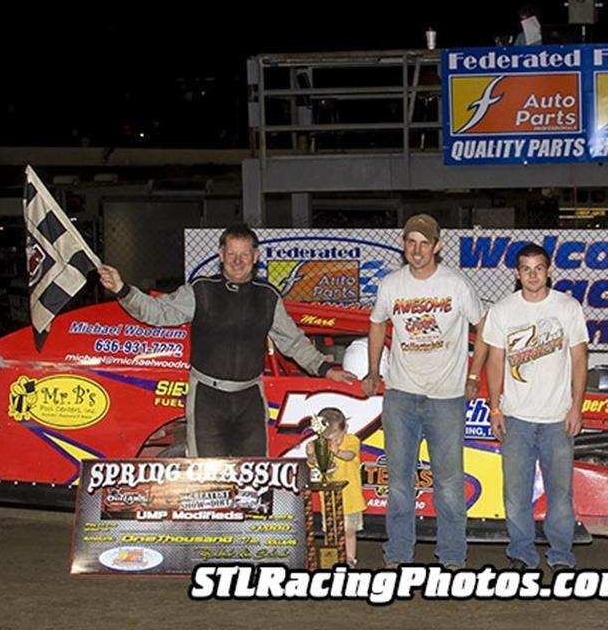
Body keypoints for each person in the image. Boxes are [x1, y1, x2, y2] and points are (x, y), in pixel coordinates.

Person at [97, 223, 357, 457]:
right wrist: (122, 289)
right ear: (221, 255)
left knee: (255, 475)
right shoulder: (201, 290)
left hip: (250, 398)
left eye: (244, 254)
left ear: (255, 257)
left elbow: (293, 341)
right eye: (231, 254)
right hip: (207, 397)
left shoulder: (267, 297)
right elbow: (158, 313)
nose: (237, 261)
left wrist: (325, 369)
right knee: (208, 479)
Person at [361, 214, 487, 569]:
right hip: (400, 395)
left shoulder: (456, 285)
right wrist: (374, 371)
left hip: (446, 397)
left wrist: (474, 374)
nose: (416, 250)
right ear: (404, 245)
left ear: (437, 246)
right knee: (399, 483)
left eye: (424, 243)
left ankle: (452, 557)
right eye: (410, 242)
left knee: (448, 484)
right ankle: (398, 554)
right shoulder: (391, 285)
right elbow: (376, 324)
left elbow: (484, 328)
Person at [482, 244, 588, 572]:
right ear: (517, 273)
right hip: (516, 419)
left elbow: (580, 359)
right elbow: (495, 361)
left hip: (557, 418)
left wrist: (576, 408)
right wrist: (495, 408)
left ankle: (560, 556)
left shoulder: (567, 308)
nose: (532, 274)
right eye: (526, 268)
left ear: (548, 271)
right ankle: (522, 555)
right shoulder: (502, 311)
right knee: (515, 495)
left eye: (538, 268)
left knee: (560, 495)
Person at [305, 407, 364, 568]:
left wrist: (338, 451)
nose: (333, 442)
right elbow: (312, 464)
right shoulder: (320, 444)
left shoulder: (351, 440)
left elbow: (350, 455)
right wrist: (311, 454)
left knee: (349, 531)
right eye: (327, 439)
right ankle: (330, 560)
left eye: (336, 438)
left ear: (346, 428)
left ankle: (350, 559)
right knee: (330, 532)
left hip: (351, 499)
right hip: (329, 500)